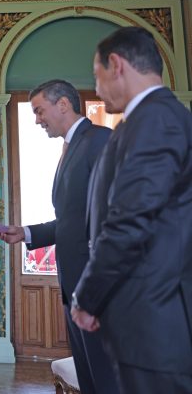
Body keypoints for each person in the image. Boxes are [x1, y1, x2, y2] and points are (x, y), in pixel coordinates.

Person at [71, 26, 192, 392]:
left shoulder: (156, 120)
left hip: (153, 322)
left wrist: (88, 298)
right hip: (145, 319)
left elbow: (128, 221)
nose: (97, 86)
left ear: (116, 64)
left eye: (97, 75)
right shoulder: (147, 120)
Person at [0, 79, 117, 394]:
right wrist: (25, 233)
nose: (37, 120)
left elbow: (117, 217)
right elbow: (71, 221)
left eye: (39, 111)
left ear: (63, 104)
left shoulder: (100, 141)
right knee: (91, 380)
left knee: (107, 381)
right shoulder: (71, 149)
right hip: (74, 290)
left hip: (98, 292)